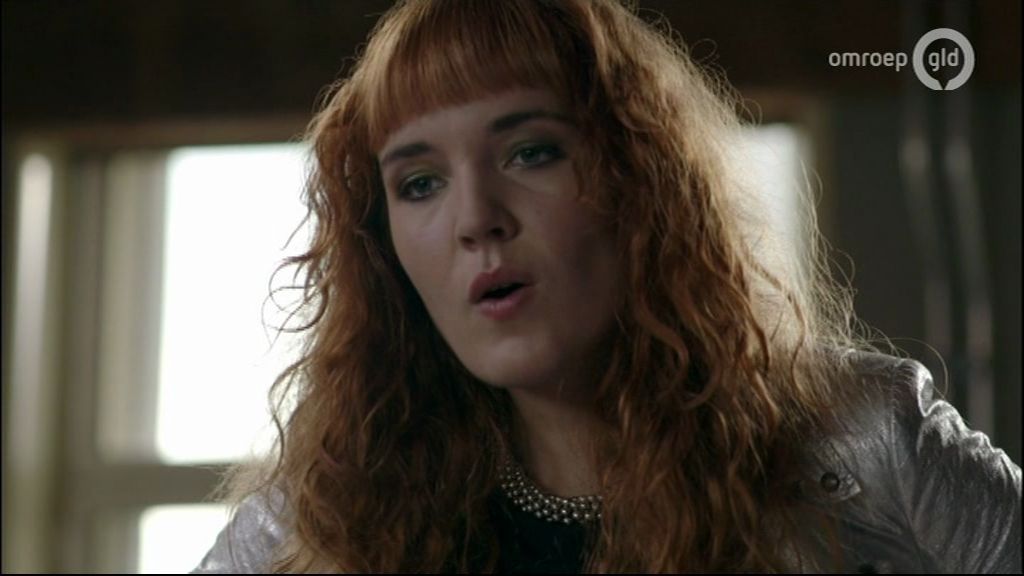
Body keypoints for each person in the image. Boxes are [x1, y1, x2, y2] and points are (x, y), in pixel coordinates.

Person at [193, 0, 1021, 572]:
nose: (475, 218)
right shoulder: (325, 512)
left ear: (640, 179)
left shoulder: (869, 443)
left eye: (530, 152)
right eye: (420, 183)